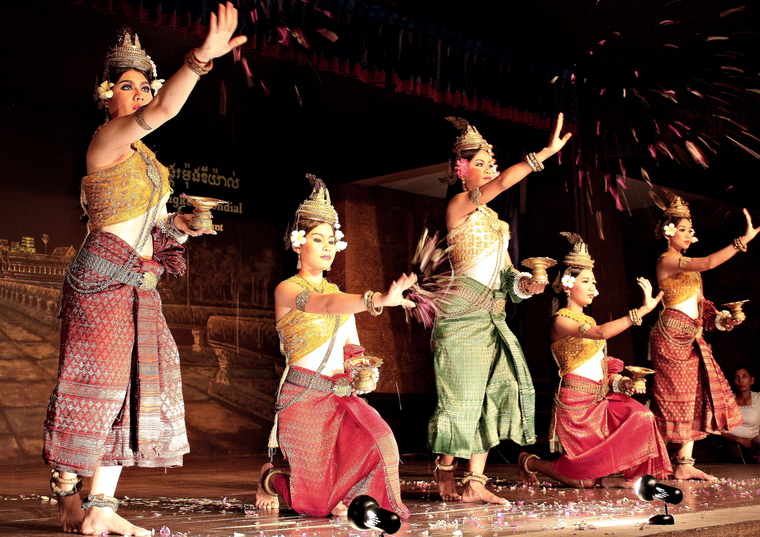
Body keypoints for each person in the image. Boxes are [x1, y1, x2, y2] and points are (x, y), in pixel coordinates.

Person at [42, 5, 246, 535]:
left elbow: (151, 227)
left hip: (139, 281)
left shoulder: (147, 162)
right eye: (127, 86)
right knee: (96, 387)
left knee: (133, 388)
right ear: (105, 94)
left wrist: (181, 225)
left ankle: (100, 508)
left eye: (144, 86)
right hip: (102, 279)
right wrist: (199, 60)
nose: (139, 95)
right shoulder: (107, 141)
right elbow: (162, 110)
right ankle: (67, 488)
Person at [426, 114, 571, 504]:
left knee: (494, 393)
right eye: (481, 163)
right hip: (461, 314)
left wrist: (528, 284)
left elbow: (507, 275)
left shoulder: (497, 223)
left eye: (492, 163)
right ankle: (445, 467)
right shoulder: (459, 206)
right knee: (462, 398)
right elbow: (505, 182)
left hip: (493, 314)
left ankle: (475, 481)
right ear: (461, 172)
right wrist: (544, 154)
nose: (490, 169)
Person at [254, 174, 414, 519]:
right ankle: (271, 479)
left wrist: (361, 370)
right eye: (317, 239)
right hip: (304, 397)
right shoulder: (288, 289)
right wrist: (379, 299)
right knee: (315, 506)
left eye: (331, 240)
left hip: (340, 395)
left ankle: (374, 507)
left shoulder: (338, 293)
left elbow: (351, 345)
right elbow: (324, 305)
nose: (327, 247)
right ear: (298, 244)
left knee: (381, 441)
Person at [518, 233, 671, 487]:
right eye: (586, 281)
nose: (594, 288)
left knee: (642, 415)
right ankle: (530, 462)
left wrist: (623, 383)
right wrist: (642, 311)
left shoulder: (588, 320)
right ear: (568, 283)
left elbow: (599, 366)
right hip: (576, 405)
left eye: (594, 282)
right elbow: (599, 333)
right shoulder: (561, 320)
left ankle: (625, 475)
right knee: (584, 482)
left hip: (600, 400)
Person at [649, 192, 759, 480]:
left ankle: (684, 463)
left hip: (692, 335)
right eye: (683, 229)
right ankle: (647, 459)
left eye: (691, 230)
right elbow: (709, 262)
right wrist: (741, 242)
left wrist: (725, 319)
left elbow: (701, 307)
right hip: (671, 335)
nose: (689, 234)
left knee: (697, 395)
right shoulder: (667, 259)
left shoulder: (692, 271)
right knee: (671, 398)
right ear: (668, 232)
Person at [722, 366, 760, 460]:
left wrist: (755, 440)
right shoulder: (727, 400)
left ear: (752, 380)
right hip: (730, 442)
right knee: (735, 451)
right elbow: (719, 429)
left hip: (754, 443)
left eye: (744, 376)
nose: (740, 381)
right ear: (734, 381)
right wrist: (740, 440)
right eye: (737, 377)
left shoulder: (758, 399)